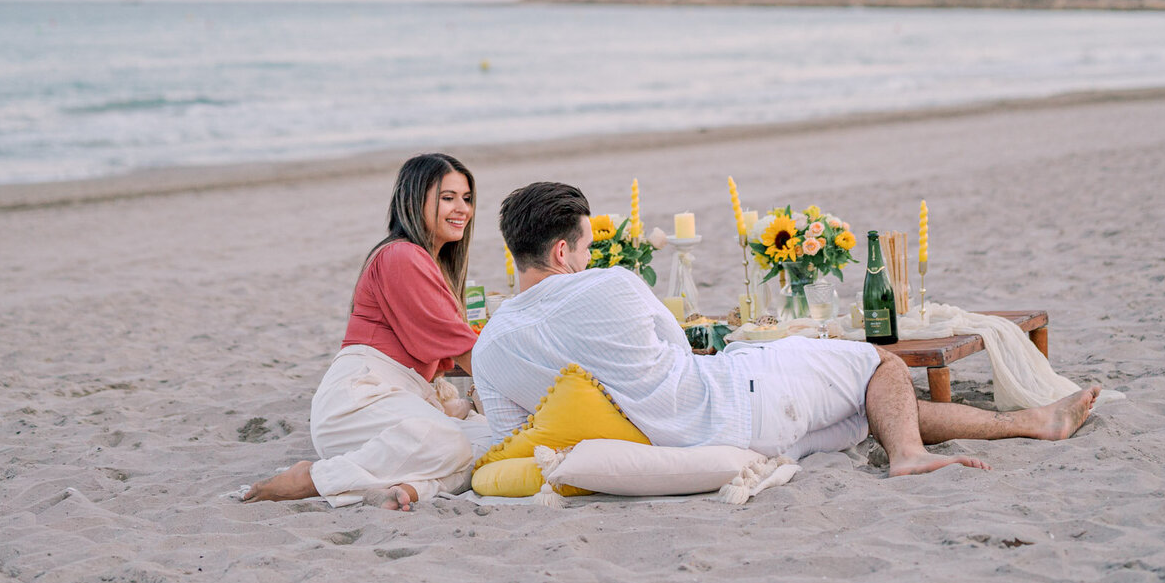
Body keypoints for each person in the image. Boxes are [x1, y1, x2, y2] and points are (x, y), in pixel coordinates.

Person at [472, 182, 1101, 477]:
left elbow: (514, 438)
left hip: (693, 439)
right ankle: (908, 458)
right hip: (735, 407)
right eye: (584, 246)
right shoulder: (610, 285)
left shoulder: (490, 345)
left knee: (869, 409)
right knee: (877, 365)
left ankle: (1031, 423)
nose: (589, 258)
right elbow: (685, 348)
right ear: (562, 253)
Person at [244, 152, 489, 511]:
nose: (462, 209)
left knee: (487, 443)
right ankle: (310, 479)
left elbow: (447, 356)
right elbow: (464, 349)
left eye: (466, 199)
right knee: (451, 445)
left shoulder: (430, 263)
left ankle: (407, 490)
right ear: (414, 200)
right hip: (359, 400)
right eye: (447, 198)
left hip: (399, 405)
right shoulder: (401, 256)